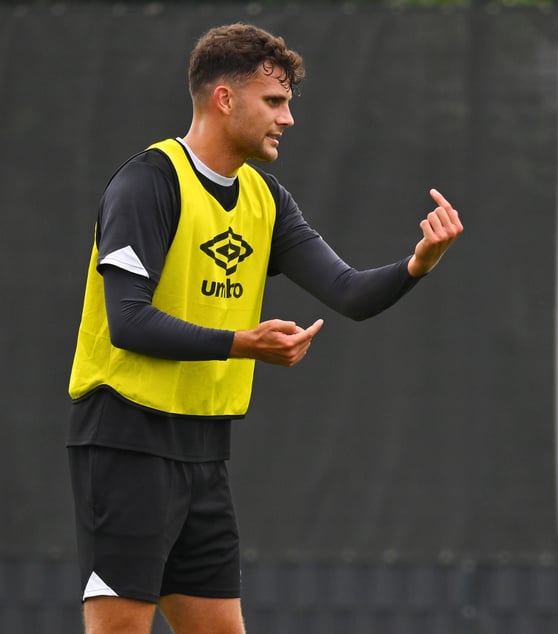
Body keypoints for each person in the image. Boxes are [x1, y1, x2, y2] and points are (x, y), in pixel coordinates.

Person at [66, 23, 463, 634]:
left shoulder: (266, 199)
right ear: (225, 99)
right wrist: (242, 344)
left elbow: (349, 294)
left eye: (288, 104)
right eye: (274, 102)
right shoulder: (148, 183)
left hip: (203, 451)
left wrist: (417, 264)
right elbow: (127, 322)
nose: (288, 119)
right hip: (126, 442)